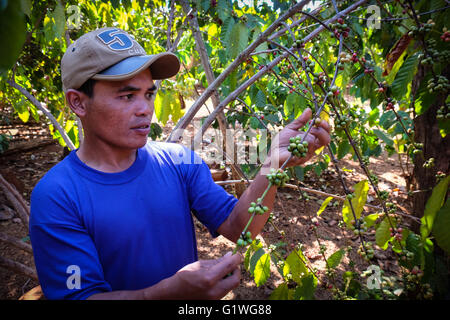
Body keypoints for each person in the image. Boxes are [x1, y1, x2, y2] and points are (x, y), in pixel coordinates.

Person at [29, 27, 331, 300]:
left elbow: (241, 228)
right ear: (78, 102)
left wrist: (272, 166)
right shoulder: (57, 196)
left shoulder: (179, 162)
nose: (145, 109)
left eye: (149, 94)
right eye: (126, 96)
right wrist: (165, 294)